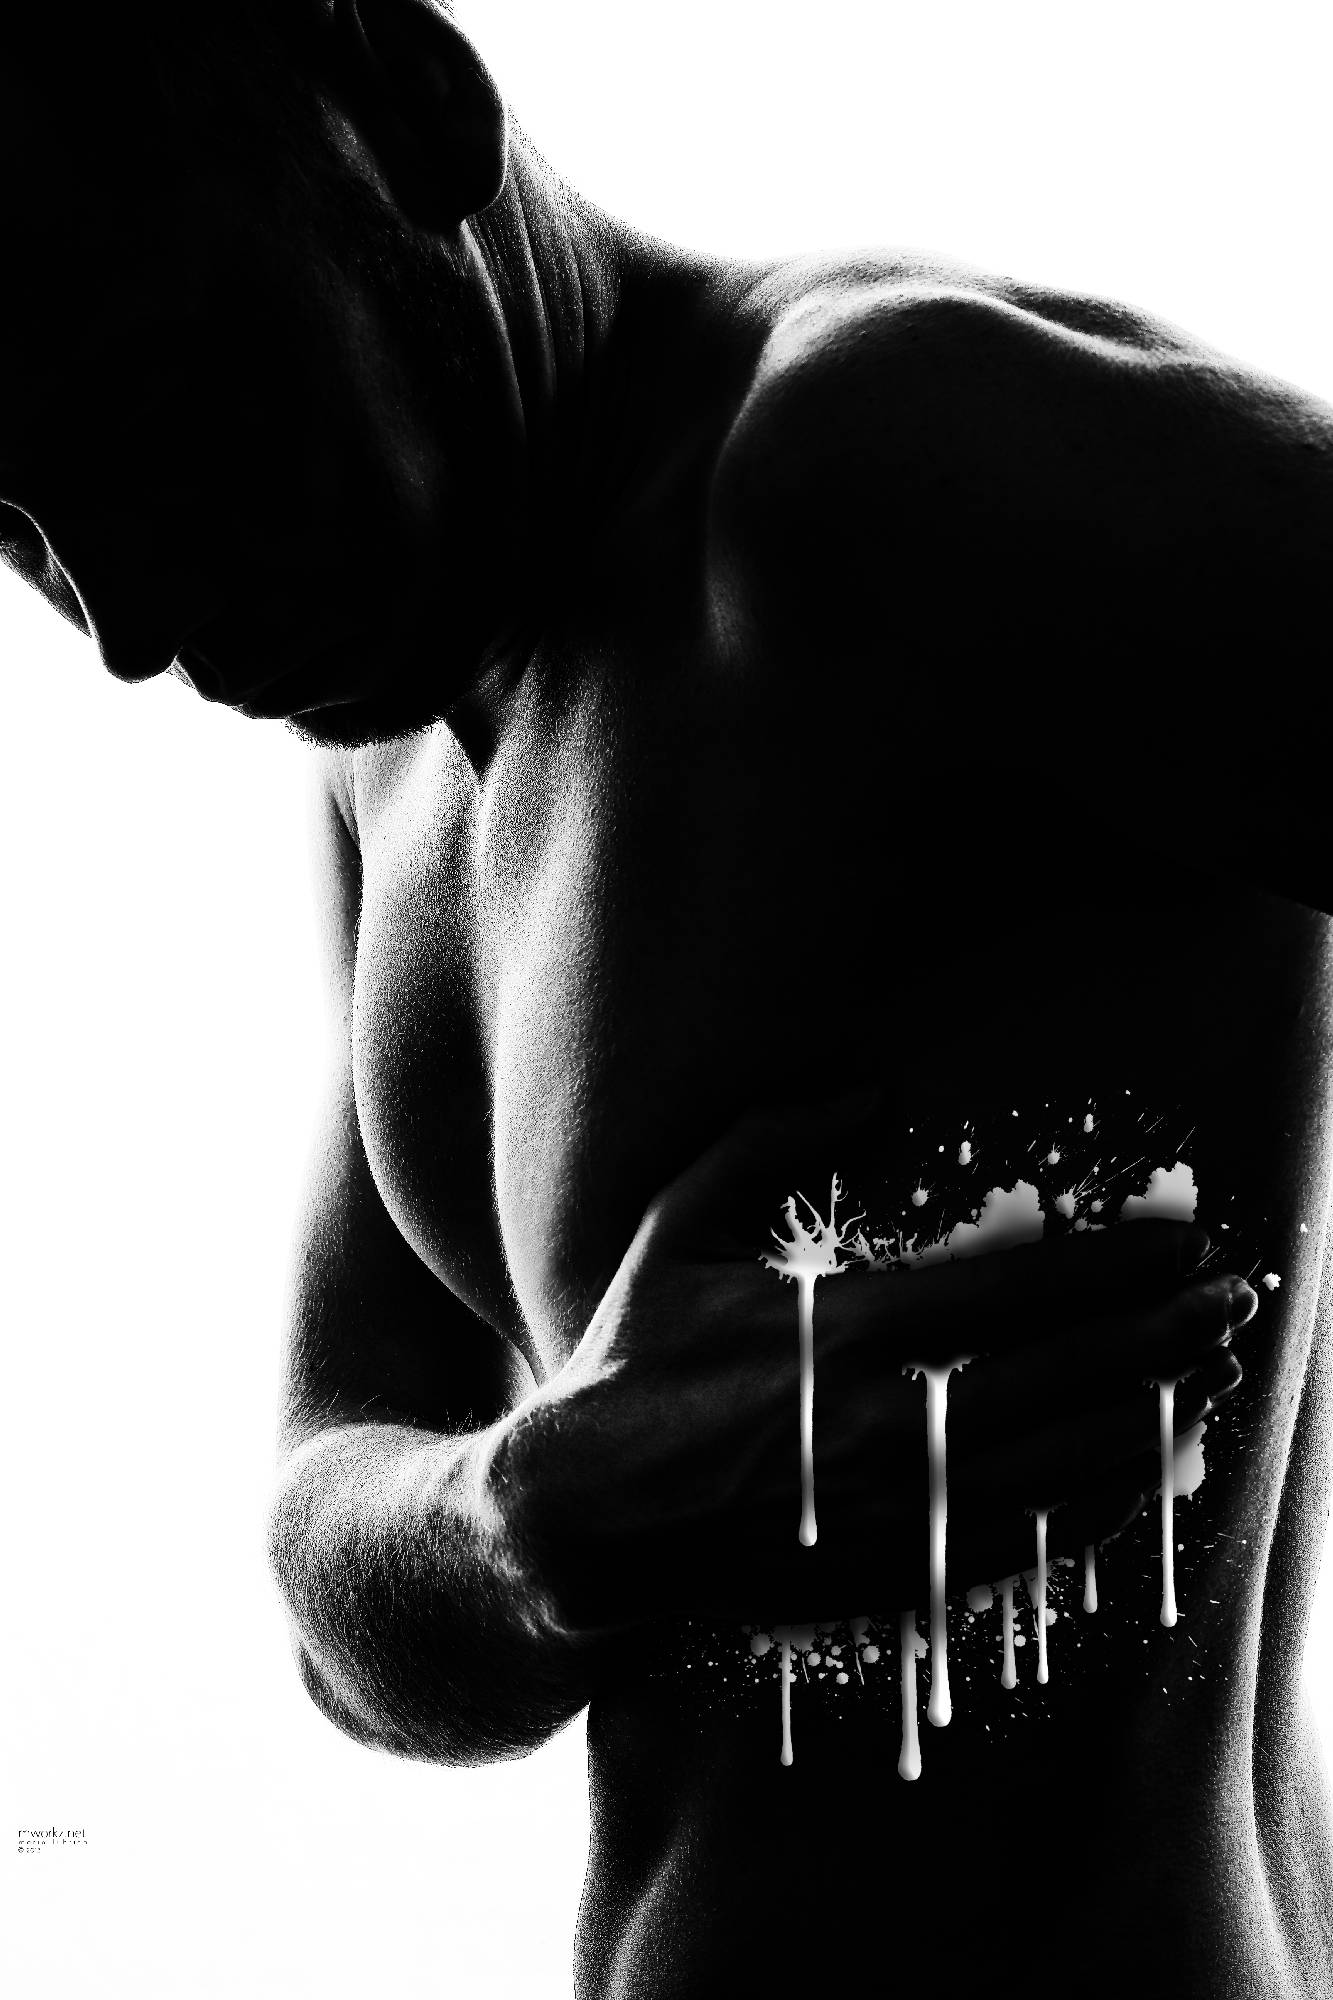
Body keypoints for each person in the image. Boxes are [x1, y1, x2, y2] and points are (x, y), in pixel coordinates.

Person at [3, 3, 1330, 1993]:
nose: (118, 624)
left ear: (405, 106)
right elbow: (335, 1551)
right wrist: (528, 1512)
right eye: (20, 529)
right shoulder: (393, 752)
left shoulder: (872, 462)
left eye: (149, 406)